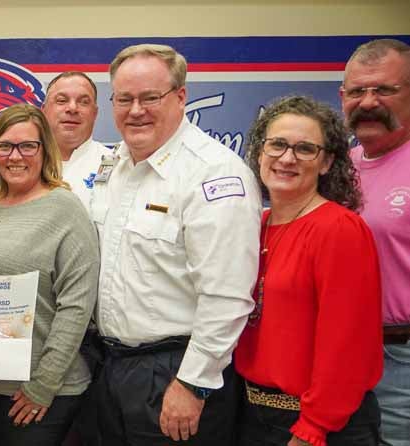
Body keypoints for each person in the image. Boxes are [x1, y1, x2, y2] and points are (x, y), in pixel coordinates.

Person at [83, 44, 262, 445]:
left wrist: (194, 384)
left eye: (150, 98)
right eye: (124, 99)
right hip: (111, 369)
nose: (135, 110)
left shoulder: (213, 173)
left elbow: (227, 296)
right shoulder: (114, 167)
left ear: (181, 97)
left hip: (176, 373)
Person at [0, 103, 99, 445]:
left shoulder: (65, 210)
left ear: (45, 151)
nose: (15, 156)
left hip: (40, 391)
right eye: (5, 146)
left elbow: (76, 307)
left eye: (28, 146)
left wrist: (43, 385)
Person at [235, 95, 383, 445]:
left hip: (319, 426)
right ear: (259, 153)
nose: (287, 158)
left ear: (327, 162)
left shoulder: (340, 229)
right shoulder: (253, 226)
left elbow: (347, 345)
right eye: (278, 145)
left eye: (304, 149)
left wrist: (312, 429)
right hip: (251, 415)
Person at [341, 38, 410, 446]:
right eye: (357, 91)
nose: (368, 102)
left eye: (384, 90)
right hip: (343, 356)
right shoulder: (339, 166)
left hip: (401, 360)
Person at [41, 71, 112, 212]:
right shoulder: (23, 164)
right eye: (61, 100)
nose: (72, 108)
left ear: (95, 113)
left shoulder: (115, 166)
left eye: (84, 102)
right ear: (44, 111)